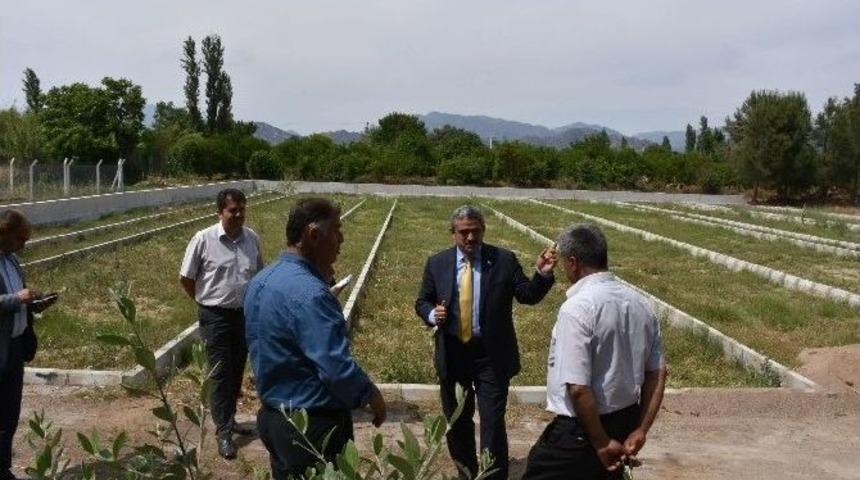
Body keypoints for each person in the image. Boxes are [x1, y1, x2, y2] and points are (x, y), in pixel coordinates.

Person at [244, 197, 386, 480]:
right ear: (313, 235)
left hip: (274, 418)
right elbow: (334, 366)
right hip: (312, 426)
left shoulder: (262, 279)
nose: (341, 238)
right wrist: (370, 394)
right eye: (336, 229)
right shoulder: (310, 293)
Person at [415, 205, 556, 480]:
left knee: (492, 421)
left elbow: (526, 294)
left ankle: (492, 475)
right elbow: (422, 300)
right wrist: (432, 314)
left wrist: (542, 274)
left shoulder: (503, 260)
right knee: (458, 422)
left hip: (491, 356)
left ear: (483, 231)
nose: (470, 238)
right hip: (453, 355)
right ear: (453, 233)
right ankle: (466, 473)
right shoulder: (437, 263)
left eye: (475, 231)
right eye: (464, 232)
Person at [522, 224, 667, 480]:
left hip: (582, 430)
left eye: (565, 263)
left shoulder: (578, 308)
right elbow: (657, 373)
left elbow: (577, 387)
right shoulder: (641, 304)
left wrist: (600, 443)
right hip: (625, 421)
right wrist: (640, 429)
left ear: (573, 262)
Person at [179, 188, 263, 460]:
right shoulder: (203, 239)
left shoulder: (252, 239)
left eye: (242, 209)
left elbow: (259, 276)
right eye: (232, 210)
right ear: (220, 212)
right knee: (219, 373)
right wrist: (204, 302)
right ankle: (223, 432)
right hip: (214, 316)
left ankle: (231, 419)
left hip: (243, 315)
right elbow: (186, 278)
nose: (238, 215)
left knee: (237, 367)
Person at [0, 210, 56, 480]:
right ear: (4, 232)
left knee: (9, 415)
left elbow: (19, 300)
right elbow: (10, 300)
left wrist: (35, 302)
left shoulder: (12, 261)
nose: (24, 245)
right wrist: (16, 299)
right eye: (20, 238)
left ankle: (2, 467)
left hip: (14, 348)